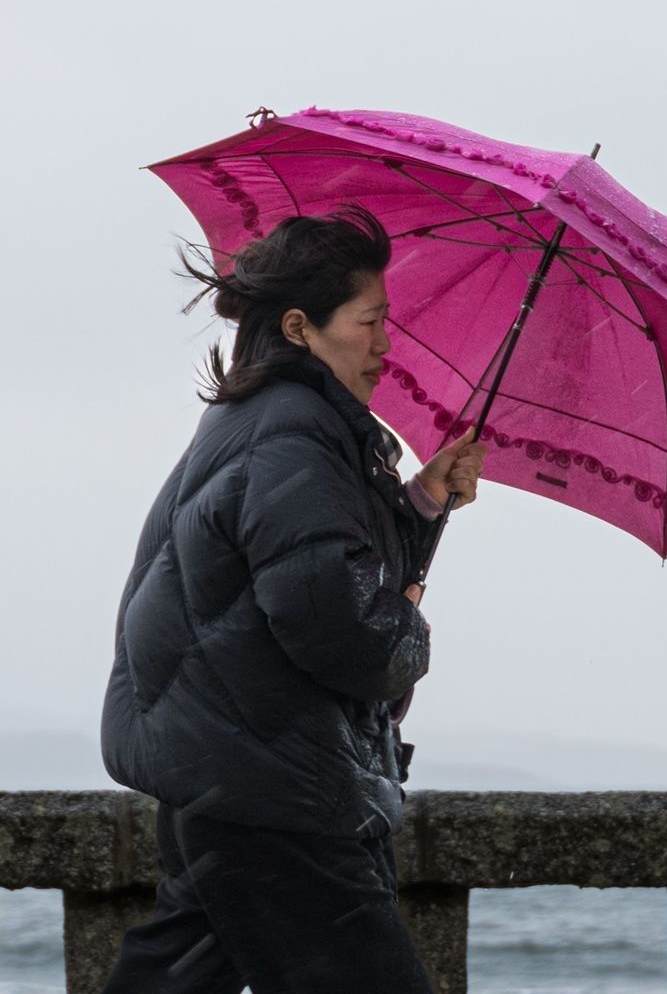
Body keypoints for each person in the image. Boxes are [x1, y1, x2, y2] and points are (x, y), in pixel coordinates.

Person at [98, 206, 485, 993]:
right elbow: (337, 629)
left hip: (229, 766)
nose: (385, 344)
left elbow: (301, 569)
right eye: (370, 321)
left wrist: (418, 504)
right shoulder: (295, 437)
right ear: (303, 326)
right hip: (274, 788)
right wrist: (408, 633)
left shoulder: (263, 421)